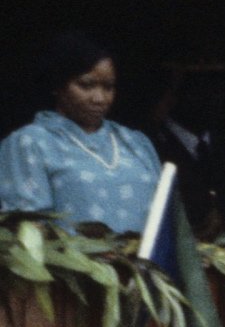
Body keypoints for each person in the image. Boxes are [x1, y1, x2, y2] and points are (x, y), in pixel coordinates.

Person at [1, 29, 163, 232]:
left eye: (108, 87)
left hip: (144, 264)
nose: (99, 98)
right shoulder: (30, 143)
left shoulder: (135, 143)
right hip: (72, 263)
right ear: (57, 85)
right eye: (86, 85)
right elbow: (29, 228)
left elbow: (166, 222)